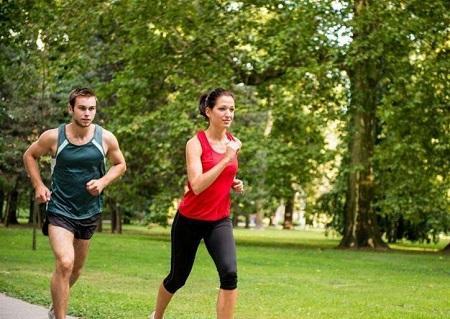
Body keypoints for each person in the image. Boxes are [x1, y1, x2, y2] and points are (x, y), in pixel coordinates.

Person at [23, 88, 126, 319]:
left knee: (76, 269)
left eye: (92, 108)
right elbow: (29, 155)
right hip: (60, 208)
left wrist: (103, 181)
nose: (87, 113)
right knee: (65, 262)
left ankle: (54, 307)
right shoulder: (53, 137)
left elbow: (120, 164)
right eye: (82, 108)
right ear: (71, 109)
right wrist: (39, 185)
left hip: (89, 210)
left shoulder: (106, 138)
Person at [149, 88, 244, 319]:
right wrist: (227, 159)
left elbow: (223, 174)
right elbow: (198, 185)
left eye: (231, 109)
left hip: (219, 220)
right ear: (208, 111)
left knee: (229, 274)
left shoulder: (233, 143)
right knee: (177, 278)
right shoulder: (195, 143)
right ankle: (157, 316)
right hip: (190, 220)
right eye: (222, 108)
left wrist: (233, 182)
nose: (228, 114)